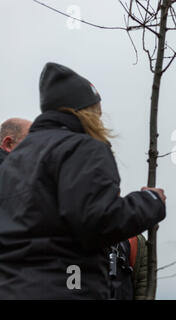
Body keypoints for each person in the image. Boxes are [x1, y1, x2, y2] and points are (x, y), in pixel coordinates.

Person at [0, 62, 166, 299]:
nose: (100, 120)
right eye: (97, 112)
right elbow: (97, 221)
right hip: (66, 288)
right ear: (83, 111)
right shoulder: (83, 148)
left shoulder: (15, 159)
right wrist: (151, 201)